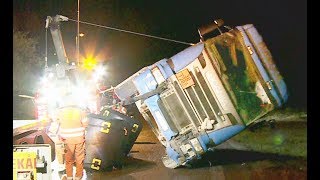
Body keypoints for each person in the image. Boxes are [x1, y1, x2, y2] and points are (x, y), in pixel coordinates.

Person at [57, 94, 88, 180]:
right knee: (79, 159)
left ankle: (69, 177)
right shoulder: (81, 111)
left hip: (66, 140)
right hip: (79, 139)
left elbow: (57, 124)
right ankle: (78, 176)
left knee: (68, 160)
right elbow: (85, 124)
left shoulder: (60, 112)